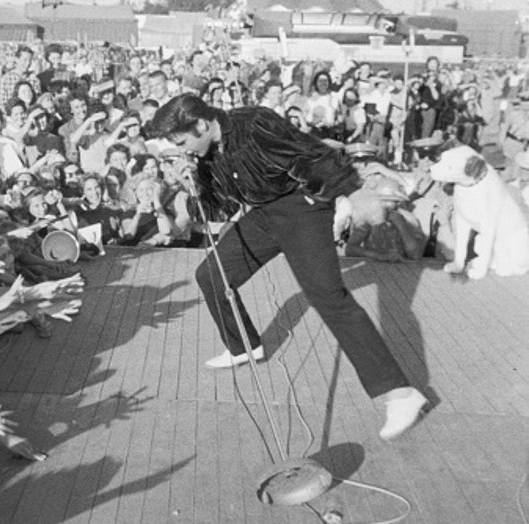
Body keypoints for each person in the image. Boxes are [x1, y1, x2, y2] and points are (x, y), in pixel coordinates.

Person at [149, 94, 428, 440]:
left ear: (202, 125)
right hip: (264, 215)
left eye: (183, 141)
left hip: (302, 209)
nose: (185, 149)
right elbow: (219, 206)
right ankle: (244, 346)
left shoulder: (255, 124)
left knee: (328, 296)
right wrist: (193, 183)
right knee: (212, 275)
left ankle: (401, 394)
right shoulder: (206, 153)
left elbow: (315, 154)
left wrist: (354, 194)